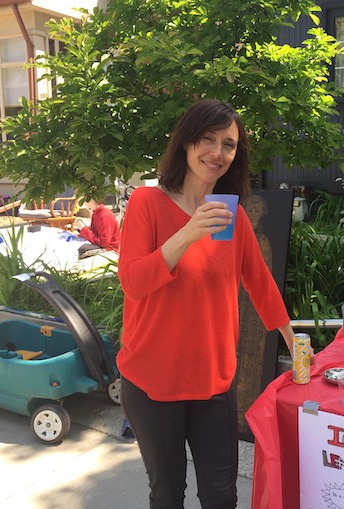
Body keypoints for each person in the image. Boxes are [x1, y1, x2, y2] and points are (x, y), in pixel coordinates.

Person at [117, 99, 309, 509]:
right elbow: (133, 283)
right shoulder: (146, 204)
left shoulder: (229, 215)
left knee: (222, 496)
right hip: (154, 383)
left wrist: (293, 341)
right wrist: (186, 234)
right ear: (186, 143)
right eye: (208, 139)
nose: (217, 152)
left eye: (229, 144)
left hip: (213, 383)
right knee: (167, 495)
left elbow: (259, 282)